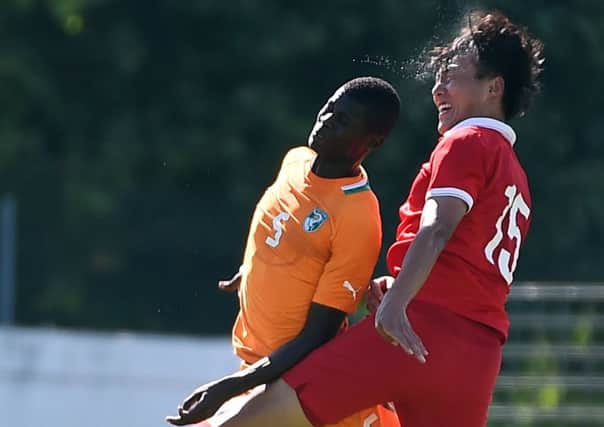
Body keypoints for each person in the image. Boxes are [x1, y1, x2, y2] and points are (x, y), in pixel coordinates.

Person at [165, 10, 545, 427]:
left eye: (452, 76)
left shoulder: (467, 141)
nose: (438, 89)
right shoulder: (517, 175)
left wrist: (396, 305)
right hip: (477, 356)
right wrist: (400, 284)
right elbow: (470, 263)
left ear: (494, 88)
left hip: (413, 331)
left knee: (256, 417)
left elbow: (437, 228)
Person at [166, 76, 402, 427]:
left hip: (296, 384)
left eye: (342, 121)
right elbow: (282, 235)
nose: (324, 121)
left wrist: (228, 388)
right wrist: (255, 270)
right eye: (329, 108)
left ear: (373, 141)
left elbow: (317, 337)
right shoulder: (296, 161)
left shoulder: (358, 216)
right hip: (258, 373)